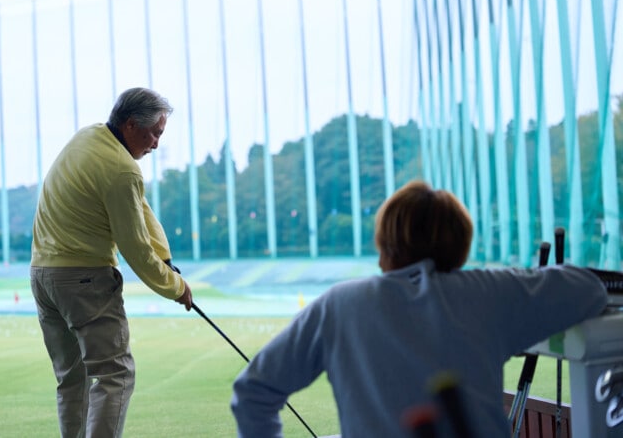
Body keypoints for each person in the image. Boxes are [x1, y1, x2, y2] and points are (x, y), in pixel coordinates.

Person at [230, 180, 608, 437]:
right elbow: (588, 288)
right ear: (459, 245)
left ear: (385, 246)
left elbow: (253, 392)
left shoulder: (340, 304)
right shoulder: (490, 291)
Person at [30, 87, 193, 438]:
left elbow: (139, 210)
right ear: (132, 125)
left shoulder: (89, 138)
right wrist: (176, 287)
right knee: (114, 375)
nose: (156, 144)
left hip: (43, 276)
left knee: (72, 380)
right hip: (84, 280)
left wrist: (165, 257)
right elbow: (134, 249)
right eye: (155, 133)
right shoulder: (123, 170)